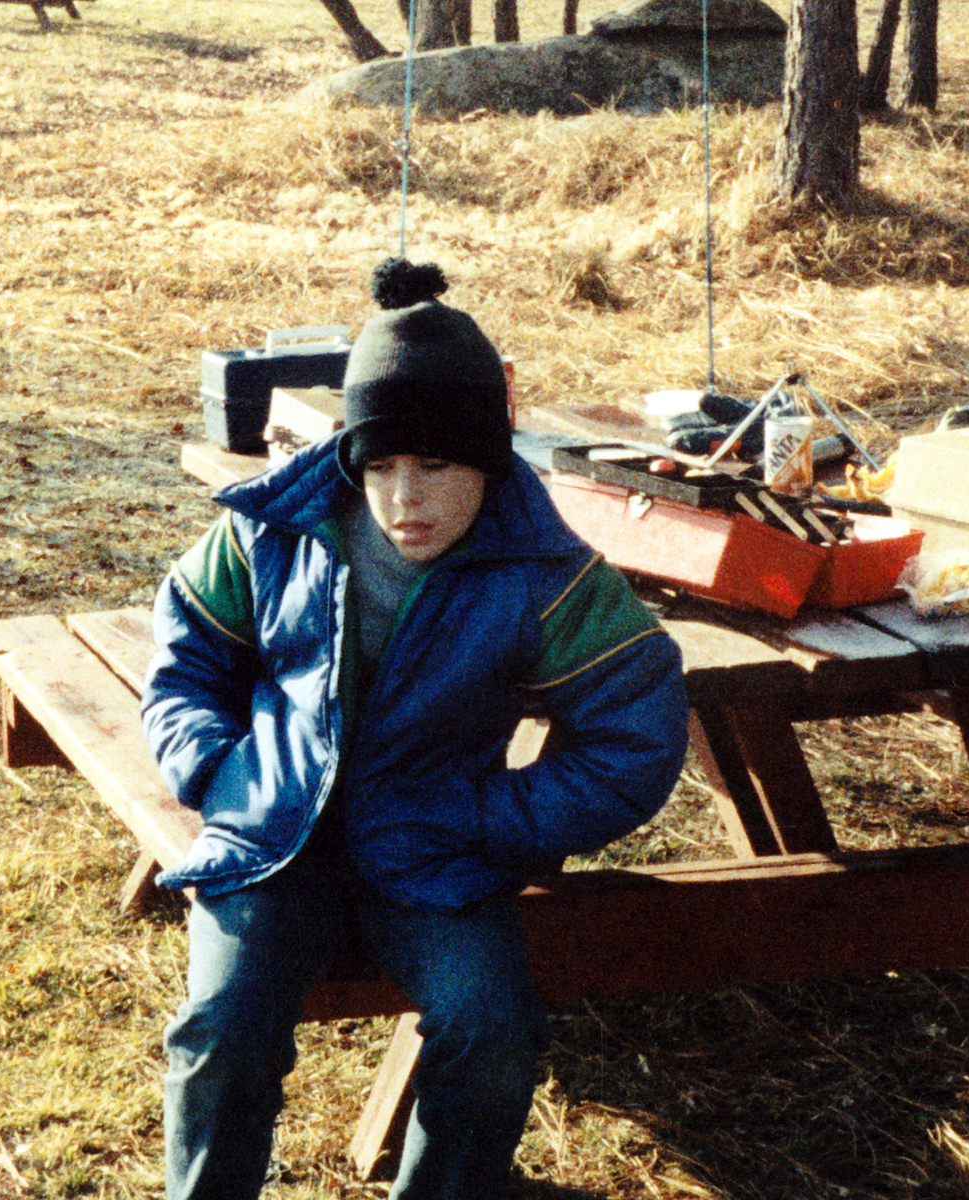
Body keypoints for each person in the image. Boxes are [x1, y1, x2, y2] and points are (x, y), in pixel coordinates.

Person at [140, 259, 690, 1200]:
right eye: (382, 466)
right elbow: (188, 652)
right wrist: (216, 770)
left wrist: (491, 817)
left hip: (436, 849)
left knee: (493, 1028)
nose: (406, 498)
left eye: (435, 466)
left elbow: (633, 733)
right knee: (222, 1029)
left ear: (488, 461)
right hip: (276, 839)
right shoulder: (276, 533)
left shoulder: (544, 574)